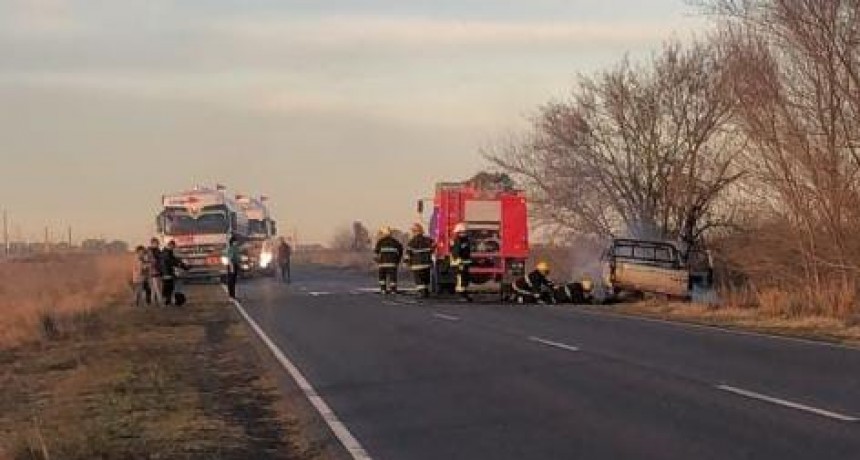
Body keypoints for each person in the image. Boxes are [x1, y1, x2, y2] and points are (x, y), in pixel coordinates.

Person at [405, 223, 434, 297]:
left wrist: (407, 262)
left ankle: (421, 292)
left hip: (417, 265)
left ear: (414, 232)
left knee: (419, 280)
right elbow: (434, 246)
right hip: (427, 264)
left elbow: (408, 254)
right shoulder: (428, 240)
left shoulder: (412, 242)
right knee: (426, 279)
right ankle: (426, 292)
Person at [374, 226, 403, 294]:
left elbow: (376, 254)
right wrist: (397, 260)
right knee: (393, 277)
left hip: (382, 264)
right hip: (392, 264)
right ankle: (393, 290)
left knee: (382, 277)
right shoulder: (395, 242)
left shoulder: (380, 241)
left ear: (384, 234)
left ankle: (383, 289)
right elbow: (401, 251)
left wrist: (378, 261)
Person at [161, 240, 189, 306]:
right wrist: (182, 265)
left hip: (167, 272)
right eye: (173, 247)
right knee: (169, 287)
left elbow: (174, 260)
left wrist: (182, 265)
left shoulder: (166, 252)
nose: (173, 248)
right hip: (168, 273)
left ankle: (169, 301)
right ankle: (169, 301)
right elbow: (172, 261)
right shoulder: (167, 253)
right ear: (171, 245)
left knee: (169, 287)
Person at [450, 223, 473, 302]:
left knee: (464, 279)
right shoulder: (457, 240)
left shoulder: (464, 240)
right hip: (459, 264)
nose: (465, 233)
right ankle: (461, 296)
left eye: (466, 232)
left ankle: (464, 295)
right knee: (460, 280)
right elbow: (456, 252)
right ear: (459, 232)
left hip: (463, 263)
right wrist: (459, 261)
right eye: (464, 232)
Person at [147, 237, 164, 306]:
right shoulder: (150, 251)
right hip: (153, 271)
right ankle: (160, 302)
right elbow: (152, 261)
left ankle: (153, 301)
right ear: (152, 243)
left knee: (155, 288)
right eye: (155, 243)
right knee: (157, 288)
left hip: (158, 271)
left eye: (157, 243)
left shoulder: (158, 250)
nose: (157, 244)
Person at [224, 235, 242, 299]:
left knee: (233, 280)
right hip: (232, 265)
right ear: (233, 242)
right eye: (235, 241)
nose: (237, 242)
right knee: (231, 280)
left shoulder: (235, 248)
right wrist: (232, 267)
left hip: (235, 264)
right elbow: (230, 259)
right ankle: (231, 295)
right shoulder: (231, 249)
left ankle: (232, 295)